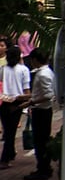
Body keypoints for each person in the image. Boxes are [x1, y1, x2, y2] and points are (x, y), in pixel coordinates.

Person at [22, 48, 55, 180]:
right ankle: (43, 167)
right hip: (43, 110)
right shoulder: (46, 72)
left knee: (40, 141)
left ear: (35, 60)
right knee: (42, 140)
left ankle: (43, 169)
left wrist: (31, 102)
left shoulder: (43, 75)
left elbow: (48, 95)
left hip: (42, 111)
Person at [0, 39, 31, 169]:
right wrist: (28, 103)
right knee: (10, 132)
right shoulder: (24, 70)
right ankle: (5, 159)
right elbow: (26, 90)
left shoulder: (2, 69)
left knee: (8, 130)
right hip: (17, 103)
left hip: (4, 102)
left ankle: (9, 154)